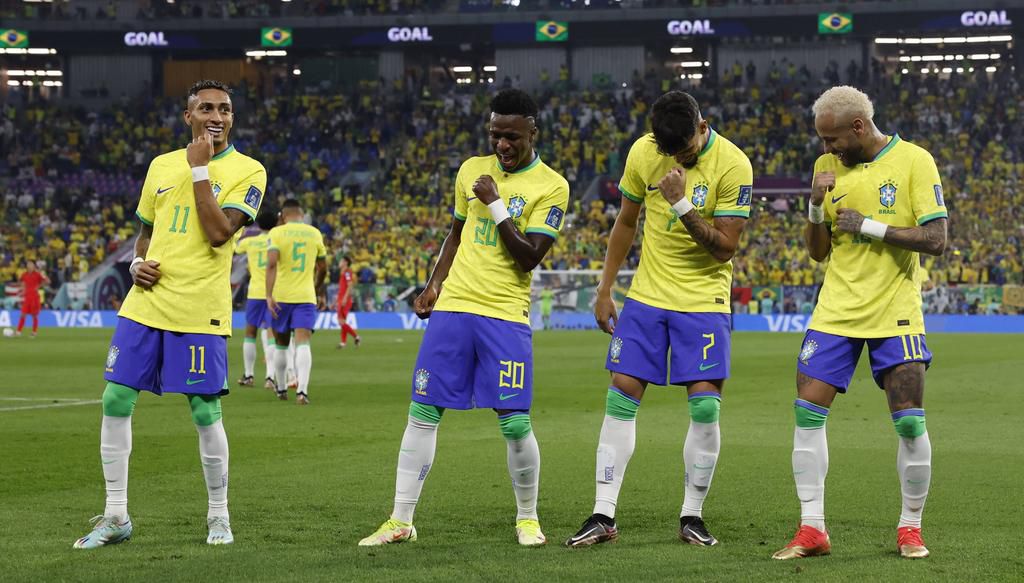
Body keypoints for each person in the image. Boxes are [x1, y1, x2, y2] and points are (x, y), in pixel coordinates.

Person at [359, 89, 569, 548]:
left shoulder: (552, 186)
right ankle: (400, 520)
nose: (502, 144)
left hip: (504, 314)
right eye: (495, 135)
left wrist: (496, 204)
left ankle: (528, 518)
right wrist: (434, 284)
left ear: (533, 132)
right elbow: (454, 234)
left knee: (514, 422)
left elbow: (529, 257)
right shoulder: (470, 169)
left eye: (512, 136)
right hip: (454, 307)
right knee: (422, 410)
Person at [74, 79, 267, 548]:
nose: (216, 116)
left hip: (200, 307)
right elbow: (146, 232)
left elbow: (219, 233)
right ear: (188, 116)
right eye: (206, 108)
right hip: (145, 303)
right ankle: (116, 515)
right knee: (115, 399)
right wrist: (137, 263)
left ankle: (218, 516)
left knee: (204, 409)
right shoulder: (160, 165)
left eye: (225, 109)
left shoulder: (249, 170)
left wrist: (200, 169)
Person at [566, 91, 753, 548]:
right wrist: (605, 288)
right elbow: (626, 222)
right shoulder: (644, 152)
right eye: (671, 152)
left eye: (686, 150)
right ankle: (603, 514)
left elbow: (725, 248)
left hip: (703, 298)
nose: (679, 159)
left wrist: (681, 204)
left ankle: (692, 516)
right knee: (621, 395)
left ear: (702, 126)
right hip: (647, 296)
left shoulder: (734, 165)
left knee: (705, 407)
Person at [773, 86, 947, 561]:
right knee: (807, 414)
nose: (826, 148)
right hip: (835, 310)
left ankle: (910, 528)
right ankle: (812, 529)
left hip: (896, 310)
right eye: (821, 140)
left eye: (832, 139)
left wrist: (869, 225)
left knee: (909, 421)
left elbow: (936, 239)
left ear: (858, 127)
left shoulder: (915, 161)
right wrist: (814, 206)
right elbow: (818, 252)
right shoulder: (825, 167)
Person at [266, 199, 327, 405]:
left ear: (283, 216)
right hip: (305, 296)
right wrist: (317, 287)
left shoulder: (276, 233)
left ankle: (282, 388)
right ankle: (302, 391)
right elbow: (323, 268)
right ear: (301, 215)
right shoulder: (314, 233)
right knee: (303, 342)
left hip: (281, 296)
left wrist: (268, 295)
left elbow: (271, 264)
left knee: (281, 344)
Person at [234, 209, 279, 388]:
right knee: (271, 334)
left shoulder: (250, 242)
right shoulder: (277, 240)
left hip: (255, 292)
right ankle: (270, 377)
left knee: (250, 333)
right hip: (273, 292)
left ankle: (249, 375)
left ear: (258, 224)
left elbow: (235, 247)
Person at [16, 260, 49, 337]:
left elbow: (47, 281)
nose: (29, 266)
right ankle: (18, 331)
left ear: (34, 266)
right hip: (27, 297)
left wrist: (39, 286)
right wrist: (23, 290)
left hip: (34, 297)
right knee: (22, 314)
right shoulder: (24, 274)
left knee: (34, 315)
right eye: (28, 264)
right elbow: (21, 282)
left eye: (31, 264)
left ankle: (34, 332)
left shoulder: (38, 274)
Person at [335, 255, 361, 348]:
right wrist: (336, 300)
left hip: (344, 300)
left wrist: (345, 298)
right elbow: (342, 288)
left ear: (345, 262)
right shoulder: (342, 272)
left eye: (341, 261)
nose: (339, 263)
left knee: (341, 322)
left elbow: (350, 285)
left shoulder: (347, 272)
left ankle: (356, 336)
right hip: (341, 299)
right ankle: (343, 342)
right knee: (343, 322)